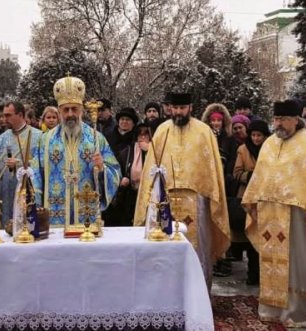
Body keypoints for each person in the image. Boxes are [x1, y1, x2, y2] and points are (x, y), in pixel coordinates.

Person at [242, 99, 306, 325]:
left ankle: (300, 311)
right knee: (271, 262)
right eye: (276, 119)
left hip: (298, 215)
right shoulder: (270, 143)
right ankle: (272, 309)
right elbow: (260, 174)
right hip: (270, 212)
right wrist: (254, 201)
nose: (279, 124)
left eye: (283, 119)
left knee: (298, 261)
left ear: (295, 119)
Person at [133, 92, 230, 286]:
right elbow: (152, 164)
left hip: (197, 198)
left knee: (198, 248)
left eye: (182, 108)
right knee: (165, 246)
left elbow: (212, 167)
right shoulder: (162, 130)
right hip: (165, 198)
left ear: (190, 108)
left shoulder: (204, 131)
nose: (178, 112)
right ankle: (166, 292)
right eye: (175, 108)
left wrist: (212, 194)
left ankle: (199, 294)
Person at [31, 77, 121, 227]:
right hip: (54, 218)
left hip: (87, 218)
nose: (70, 114)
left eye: (74, 109)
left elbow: (115, 172)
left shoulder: (96, 139)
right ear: (59, 111)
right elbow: (35, 175)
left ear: (82, 110)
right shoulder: (45, 141)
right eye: (66, 109)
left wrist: (102, 169)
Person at [0, 100, 42, 229]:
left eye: (8, 115)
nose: (4, 119)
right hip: (6, 192)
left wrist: (20, 165)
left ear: (20, 115)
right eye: (3, 115)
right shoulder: (1, 139)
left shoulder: (38, 136)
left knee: (29, 228)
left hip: (29, 191)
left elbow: (43, 164)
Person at [230, 119, 268, 284]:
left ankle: (261, 274)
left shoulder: (270, 149)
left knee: (262, 236)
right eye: (253, 135)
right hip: (247, 197)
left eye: (259, 135)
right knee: (250, 235)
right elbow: (236, 172)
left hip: (264, 196)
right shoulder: (243, 150)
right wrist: (250, 176)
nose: (256, 139)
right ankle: (252, 274)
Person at [104, 106, 140, 226]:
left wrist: (127, 177)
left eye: (128, 120)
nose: (124, 122)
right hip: (110, 184)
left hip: (129, 188)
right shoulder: (108, 137)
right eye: (122, 119)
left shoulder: (136, 139)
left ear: (133, 123)